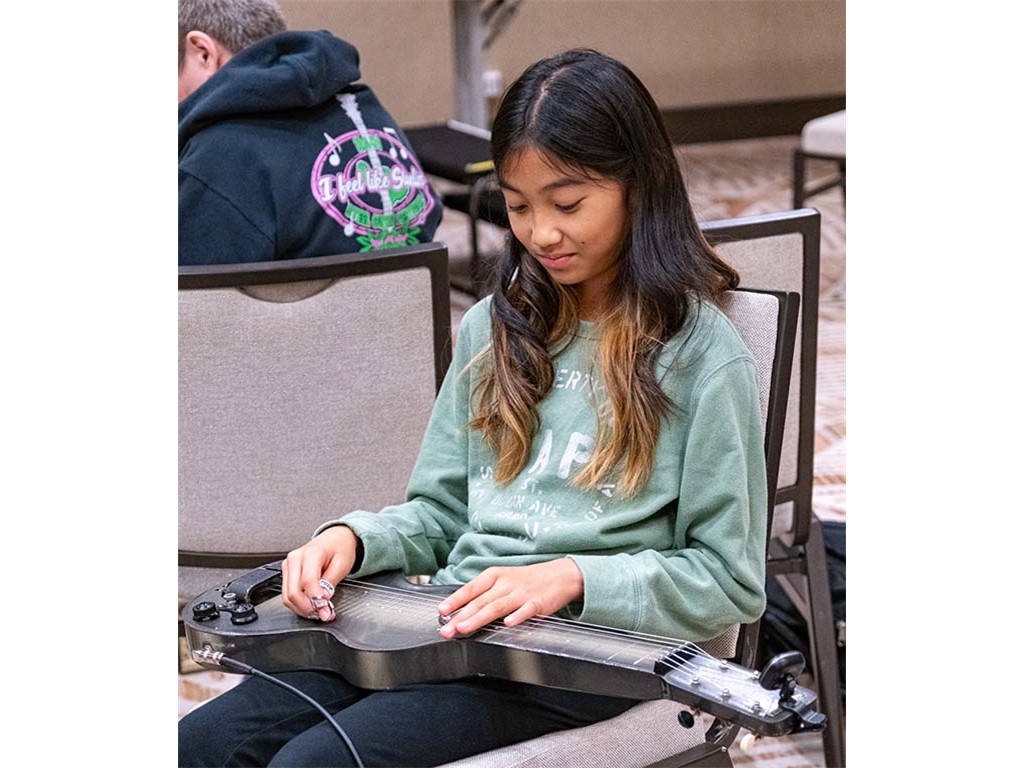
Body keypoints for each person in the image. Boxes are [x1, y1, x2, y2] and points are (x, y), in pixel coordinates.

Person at [178, 48, 767, 767]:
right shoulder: (494, 326)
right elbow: (440, 513)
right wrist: (355, 540)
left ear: (638, 186)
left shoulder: (701, 354)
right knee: (200, 745)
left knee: (315, 763)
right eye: (518, 207)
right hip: (452, 624)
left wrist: (573, 577)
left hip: (587, 655)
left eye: (568, 204)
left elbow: (729, 580)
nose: (541, 233)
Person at [178, 0, 442, 265]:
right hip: (416, 293)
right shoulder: (369, 110)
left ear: (203, 53)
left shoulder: (214, 160)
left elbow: (194, 288)